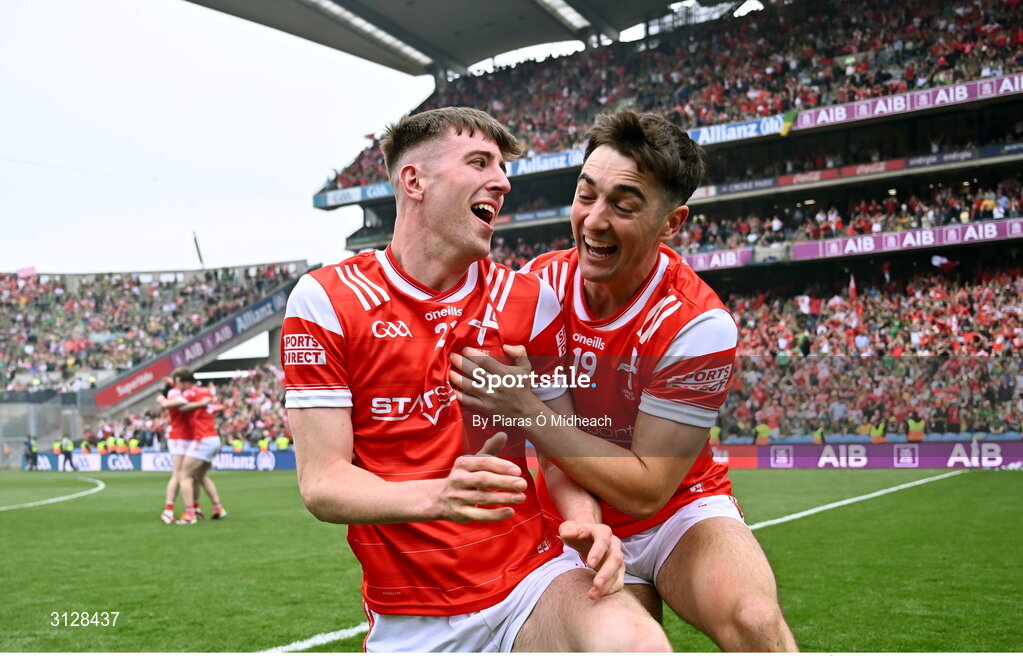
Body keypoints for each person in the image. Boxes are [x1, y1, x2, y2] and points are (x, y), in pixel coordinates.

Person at [281, 107, 667, 652]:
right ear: (414, 181)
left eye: (502, 168)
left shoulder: (530, 301)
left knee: (635, 643)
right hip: (409, 618)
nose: (504, 182)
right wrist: (440, 496)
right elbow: (322, 483)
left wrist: (585, 522)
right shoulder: (326, 301)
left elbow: (559, 450)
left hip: (531, 582)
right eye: (480, 162)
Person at [451, 109, 797, 651]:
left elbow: (645, 489)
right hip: (569, 517)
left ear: (672, 223)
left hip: (675, 511)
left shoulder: (697, 324)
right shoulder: (538, 286)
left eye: (623, 204)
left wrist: (525, 410)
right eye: (586, 194)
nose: (593, 220)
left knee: (754, 620)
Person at [166, 369, 227, 524]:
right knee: (200, 475)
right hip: (214, 438)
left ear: (185, 382)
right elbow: (209, 403)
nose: (181, 388)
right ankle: (218, 508)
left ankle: (189, 514)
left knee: (183, 475)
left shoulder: (191, 393)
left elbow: (179, 406)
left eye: (181, 384)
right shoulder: (204, 390)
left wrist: (162, 400)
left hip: (203, 439)